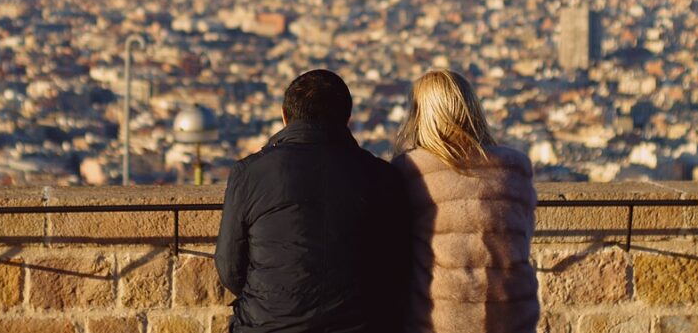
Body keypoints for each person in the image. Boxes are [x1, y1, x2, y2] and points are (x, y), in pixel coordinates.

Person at [216, 69, 410, 333]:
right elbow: (395, 264)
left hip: (268, 325)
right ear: (347, 119)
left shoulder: (249, 173)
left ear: (285, 117)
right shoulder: (381, 175)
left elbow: (229, 269)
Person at [392, 70, 538, 333]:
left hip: (441, 320)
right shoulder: (515, 168)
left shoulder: (411, 169)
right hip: (511, 317)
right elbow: (523, 234)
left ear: (421, 115)